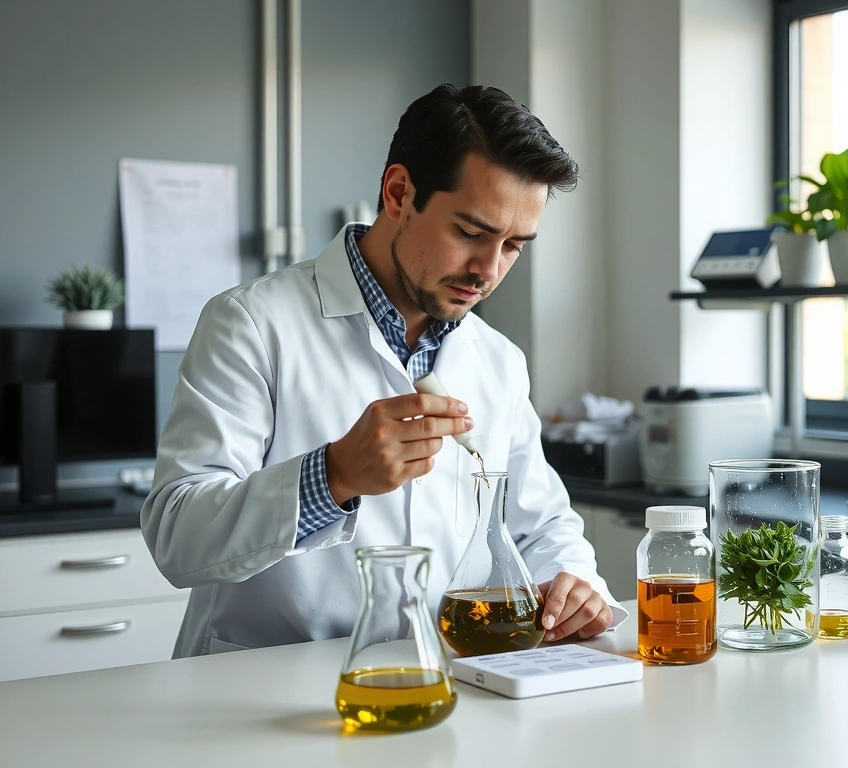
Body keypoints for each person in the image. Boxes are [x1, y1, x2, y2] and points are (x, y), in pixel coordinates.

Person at [141, 83, 625, 658]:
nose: (488, 270)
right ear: (399, 193)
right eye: (470, 233)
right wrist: (333, 475)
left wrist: (576, 585)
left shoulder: (497, 360)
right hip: (267, 689)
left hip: (440, 683)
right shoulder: (250, 323)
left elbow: (541, 525)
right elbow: (177, 535)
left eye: (515, 245)